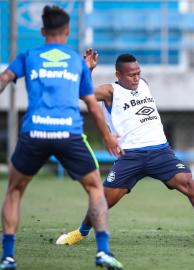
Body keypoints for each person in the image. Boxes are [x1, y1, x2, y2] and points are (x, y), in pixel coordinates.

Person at [55, 49, 194, 246]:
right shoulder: (111, 92)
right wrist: (87, 69)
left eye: (138, 73)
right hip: (130, 156)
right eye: (131, 75)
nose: (136, 78)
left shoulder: (144, 84)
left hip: (160, 151)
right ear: (118, 75)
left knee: (189, 184)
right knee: (103, 201)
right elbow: (85, 93)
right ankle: (81, 233)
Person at [0, 6, 123, 269]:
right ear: (68, 31)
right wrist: (108, 136)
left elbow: (4, 79)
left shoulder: (28, 55)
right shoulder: (76, 61)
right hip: (68, 133)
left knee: (14, 190)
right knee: (94, 188)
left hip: (35, 132)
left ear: (43, 31)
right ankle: (103, 251)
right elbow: (91, 104)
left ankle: (8, 257)